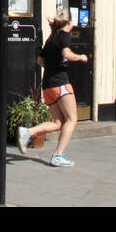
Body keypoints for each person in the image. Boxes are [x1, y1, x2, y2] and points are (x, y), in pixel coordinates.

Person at [15, 12, 88, 167]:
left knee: (58, 122)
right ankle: (58, 155)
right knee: (72, 119)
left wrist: (52, 66)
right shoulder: (64, 35)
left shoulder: (51, 38)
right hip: (60, 83)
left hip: (48, 85)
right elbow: (66, 53)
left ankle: (28, 133)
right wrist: (81, 57)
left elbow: (40, 60)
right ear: (69, 22)